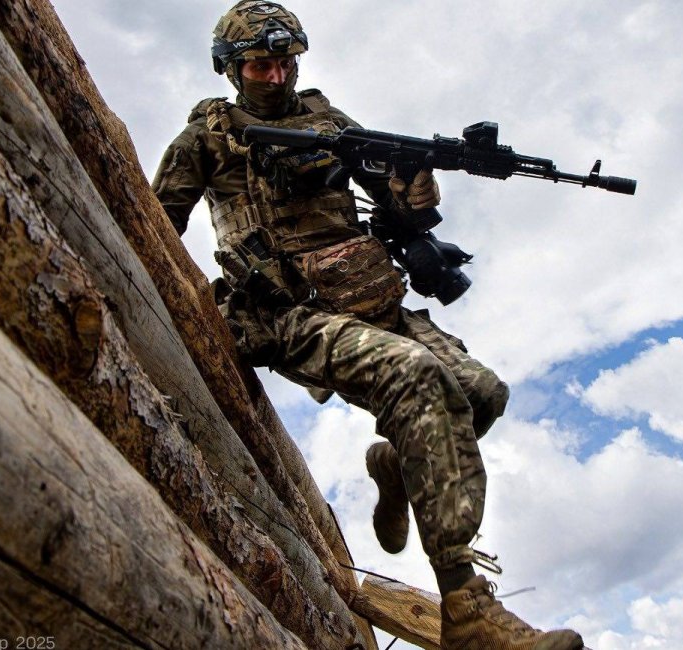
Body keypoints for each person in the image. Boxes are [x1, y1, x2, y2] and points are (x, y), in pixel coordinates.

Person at [151, 2, 583, 648]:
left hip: (370, 297)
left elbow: (398, 214)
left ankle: (399, 464)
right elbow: (154, 224)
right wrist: (193, 307)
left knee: (482, 394)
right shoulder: (204, 141)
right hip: (288, 314)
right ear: (232, 70)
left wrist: (415, 189)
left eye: (285, 63)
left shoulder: (330, 123)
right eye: (260, 66)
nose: (276, 76)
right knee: (419, 378)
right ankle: (466, 607)